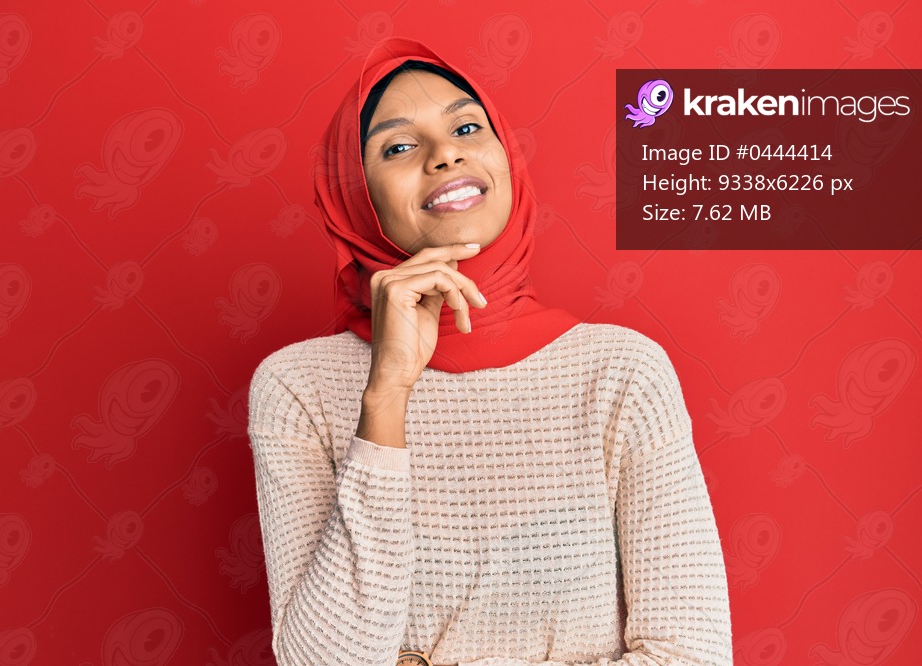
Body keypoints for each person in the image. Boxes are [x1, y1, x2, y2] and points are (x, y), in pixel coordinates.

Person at [248, 37, 732, 666]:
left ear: (506, 159)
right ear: (356, 199)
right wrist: (386, 394)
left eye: (467, 128)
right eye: (398, 146)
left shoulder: (622, 375)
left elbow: (691, 655)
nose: (445, 154)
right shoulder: (296, 389)